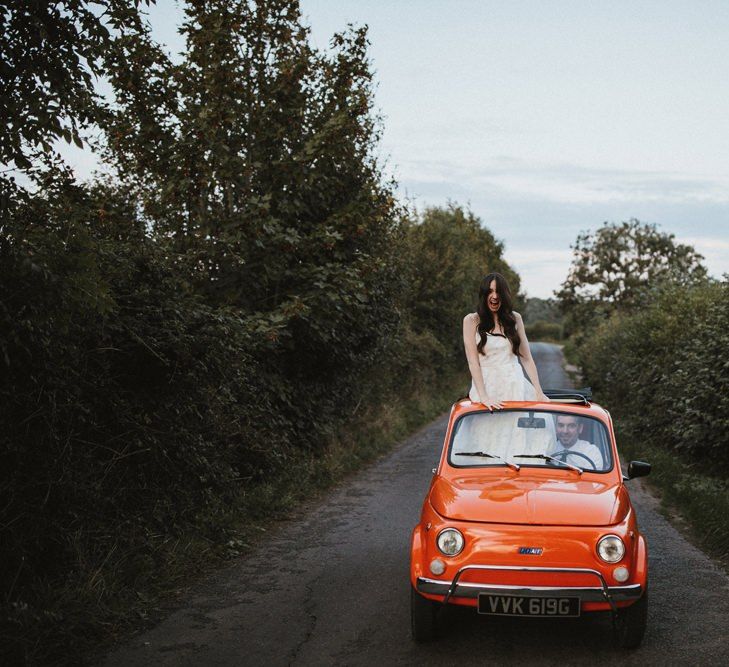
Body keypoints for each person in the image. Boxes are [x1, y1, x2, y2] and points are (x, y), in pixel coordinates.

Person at [463, 272, 550, 409]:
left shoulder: (515, 318)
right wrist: (484, 396)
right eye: (490, 291)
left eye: (499, 292)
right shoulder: (471, 320)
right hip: (486, 387)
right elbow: (473, 362)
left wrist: (538, 392)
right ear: (484, 294)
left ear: (505, 295)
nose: (495, 296)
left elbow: (526, 358)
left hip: (515, 385)